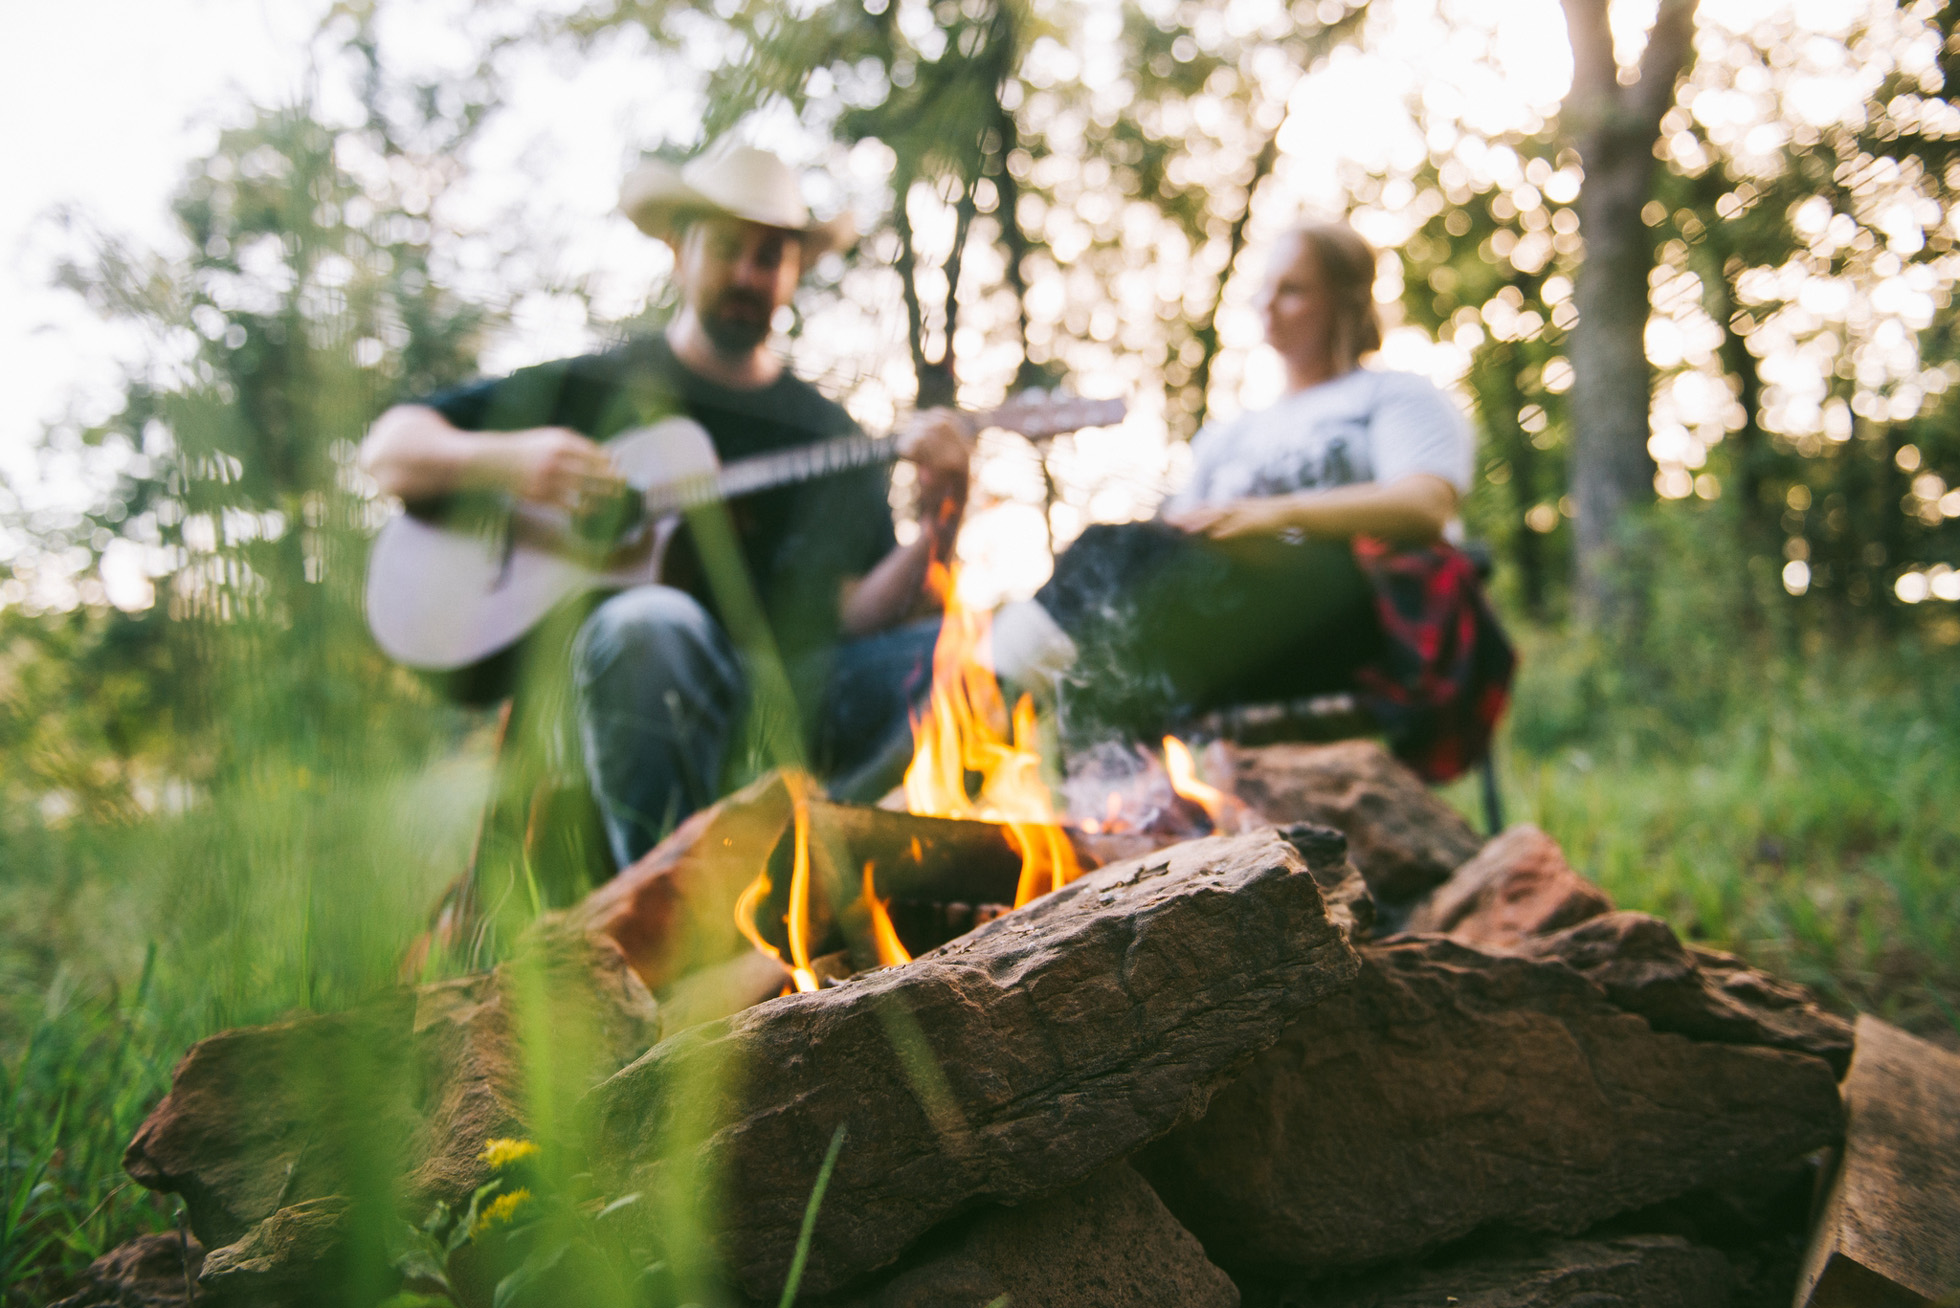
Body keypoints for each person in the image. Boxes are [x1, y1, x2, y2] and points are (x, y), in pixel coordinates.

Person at [361, 141, 973, 873]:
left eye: (770, 256)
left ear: (794, 274)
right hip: (615, 703)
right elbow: (390, 449)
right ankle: (663, 912)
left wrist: (941, 524)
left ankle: (817, 884)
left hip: (791, 700)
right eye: (727, 249)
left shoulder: (826, 432)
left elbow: (859, 612)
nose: (748, 274)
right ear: (680, 250)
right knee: (649, 620)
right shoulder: (600, 385)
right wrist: (515, 461)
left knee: (976, 651)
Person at [991, 220, 1498, 770]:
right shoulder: (1229, 434)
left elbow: (1424, 506)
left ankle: (975, 713)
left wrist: (1268, 515)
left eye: (1293, 289)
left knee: (1111, 563)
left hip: (1340, 620)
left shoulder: (1392, 395)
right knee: (1110, 606)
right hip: (1222, 620)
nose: (1268, 304)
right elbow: (1173, 539)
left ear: (1345, 301)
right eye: (1265, 288)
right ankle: (1112, 812)